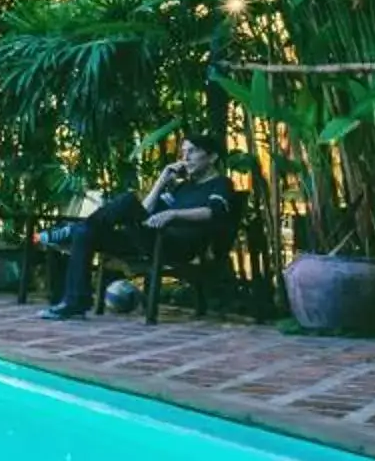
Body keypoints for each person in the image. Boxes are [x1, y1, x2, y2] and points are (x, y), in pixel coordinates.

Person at [39, 130, 234, 320]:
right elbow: (146, 210)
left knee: (126, 201)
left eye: (192, 151)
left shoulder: (221, 183)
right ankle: (74, 302)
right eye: (183, 153)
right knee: (85, 232)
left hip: (176, 245)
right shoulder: (182, 186)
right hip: (150, 238)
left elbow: (213, 212)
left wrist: (173, 213)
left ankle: (70, 231)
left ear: (212, 157)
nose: (185, 158)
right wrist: (162, 180)